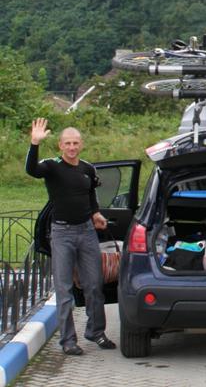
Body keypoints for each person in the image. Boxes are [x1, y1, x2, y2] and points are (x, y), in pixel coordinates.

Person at [25, 118, 116, 355]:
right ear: (60, 145)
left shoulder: (88, 169)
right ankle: (68, 341)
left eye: (75, 143)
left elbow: (90, 194)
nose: (72, 147)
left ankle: (96, 331)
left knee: (94, 285)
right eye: (67, 143)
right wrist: (34, 144)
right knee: (64, 289)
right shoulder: (52, 166)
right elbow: (32, 170)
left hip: (86, 232)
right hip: (62, 233)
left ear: (81, 144)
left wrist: (96, 213)